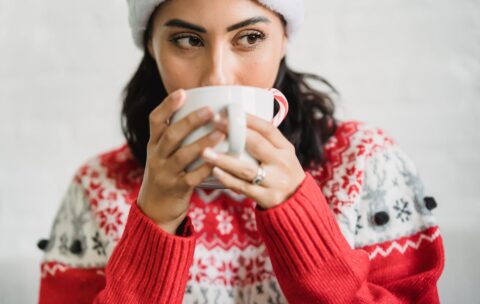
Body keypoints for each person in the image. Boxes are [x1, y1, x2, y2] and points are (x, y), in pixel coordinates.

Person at [37, 0, 444, 303]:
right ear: (150, 46)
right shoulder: (97, 187)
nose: (218, 74)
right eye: (187, 40)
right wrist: (156, 222)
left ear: (284, 37)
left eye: (249, 37)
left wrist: (300, 218)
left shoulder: (365, 164)